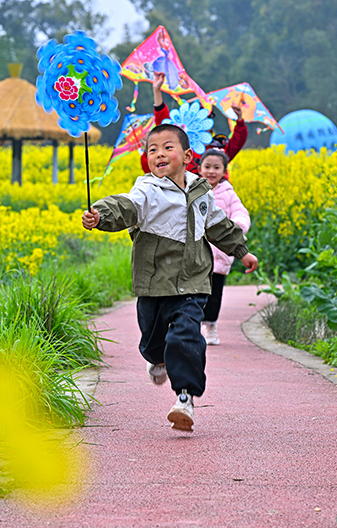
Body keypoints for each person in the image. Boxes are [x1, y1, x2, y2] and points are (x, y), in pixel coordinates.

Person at [82, 123, 258, 432]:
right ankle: (157, 358)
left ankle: (185, 397)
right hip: (153, 283)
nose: (159, 154)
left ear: (188, 156)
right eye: (152, 150)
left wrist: (241, 251)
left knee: (186, 335)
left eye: (167, 147)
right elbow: (125, 206)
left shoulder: (201, 192)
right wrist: (100, 215)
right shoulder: (147, 190)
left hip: (192, 282)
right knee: (152, 341)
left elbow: (218, 226)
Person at [139, 71, 248, 175]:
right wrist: (156, 90)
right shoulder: (178, 150)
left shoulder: (217, 149)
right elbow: (164, 125)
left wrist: (239, 120)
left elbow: (238, 141)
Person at [197, 149, 251, 345]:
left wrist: (236, 229)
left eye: (216, 168)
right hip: (196, 254)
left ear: (224, 170)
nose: (211, 171)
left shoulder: (228, 193)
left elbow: (240, 213)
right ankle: (193, 326)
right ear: (199, 168)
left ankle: (210, 325)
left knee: (214, 294)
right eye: (207, 167)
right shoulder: (192, 189)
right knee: (193, 294)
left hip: (219, 254)